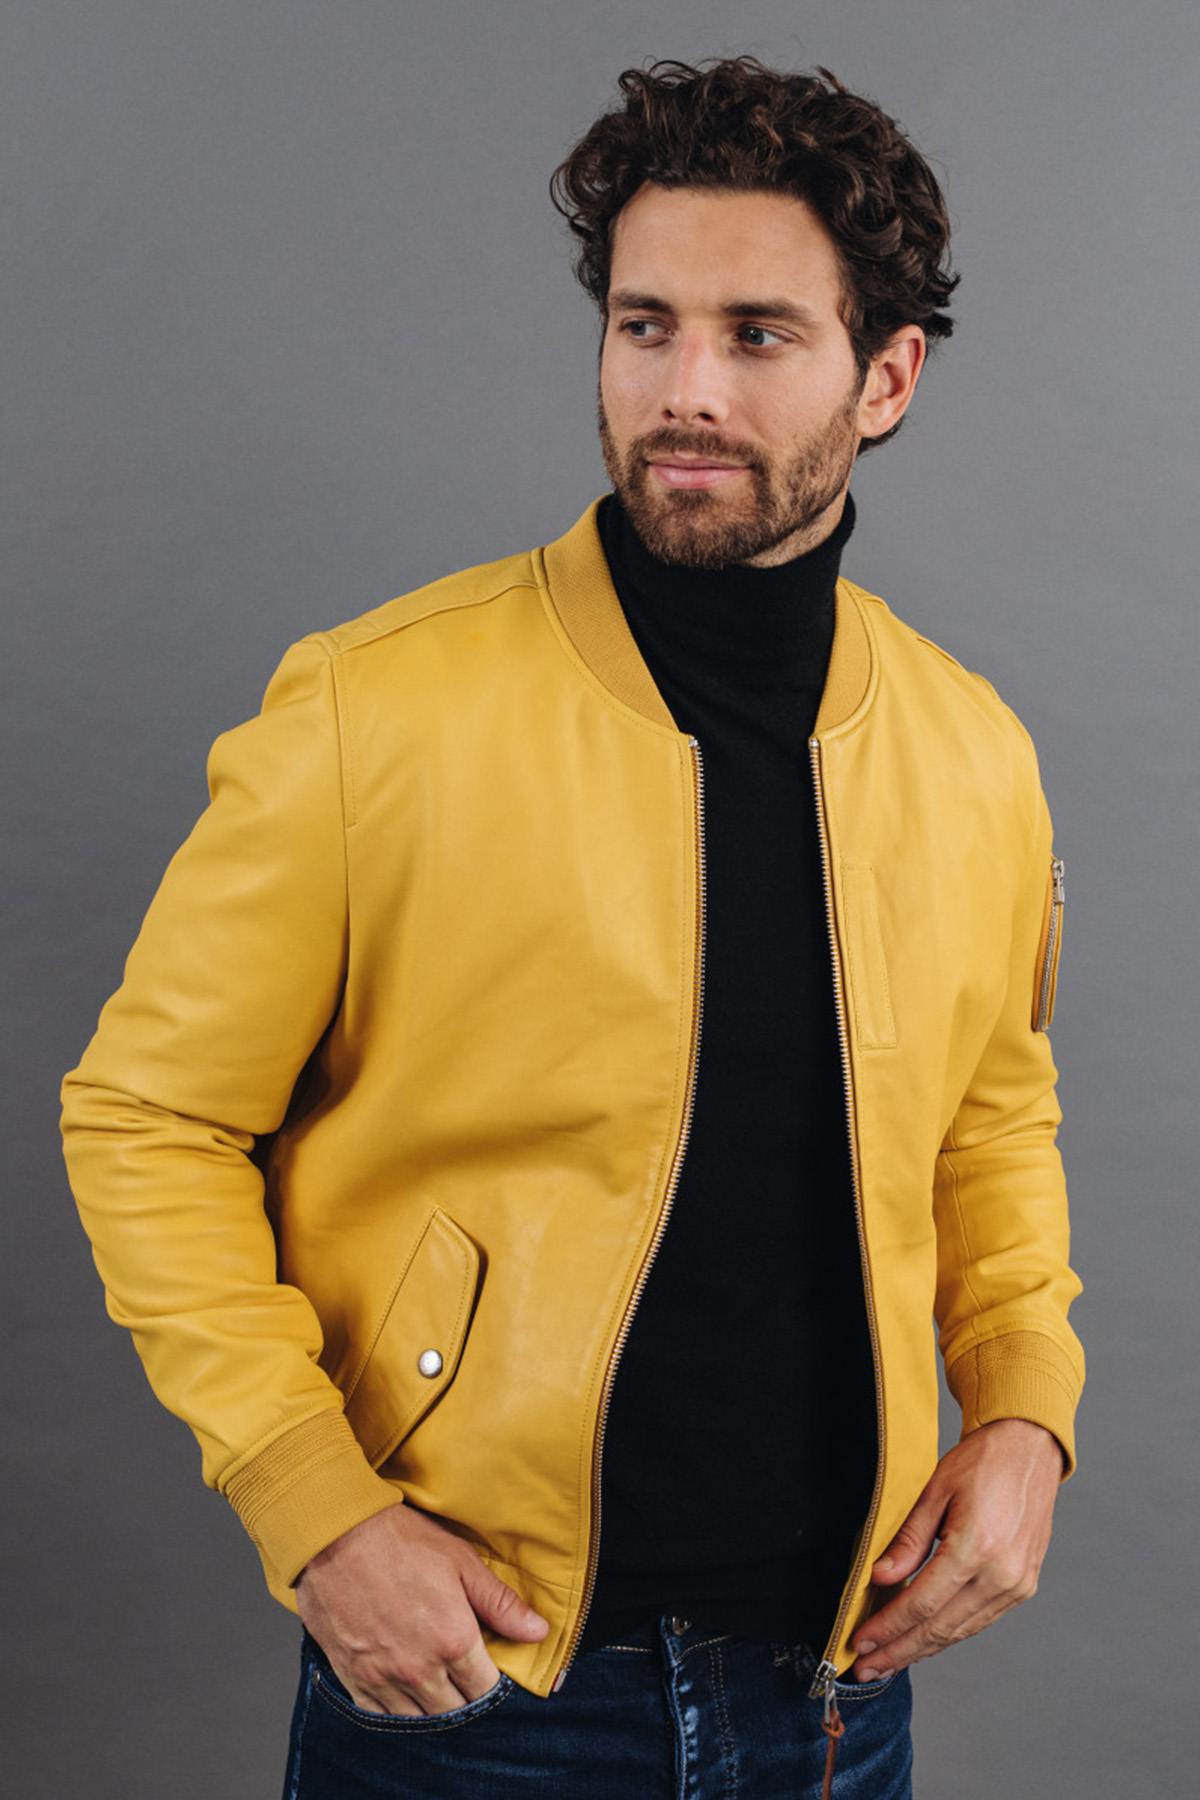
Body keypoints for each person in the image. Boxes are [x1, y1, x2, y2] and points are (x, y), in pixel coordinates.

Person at [59, 54, 1085, 1800]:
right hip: (479, 1695)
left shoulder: (973, 752)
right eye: (644, 325)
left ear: (887, 377)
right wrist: (314, 1504)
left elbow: (990, 1122)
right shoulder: (375, 710)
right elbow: (146, 1117)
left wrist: (1026, 1411)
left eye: (758, 335)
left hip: (841, 1698)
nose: (685, 390)